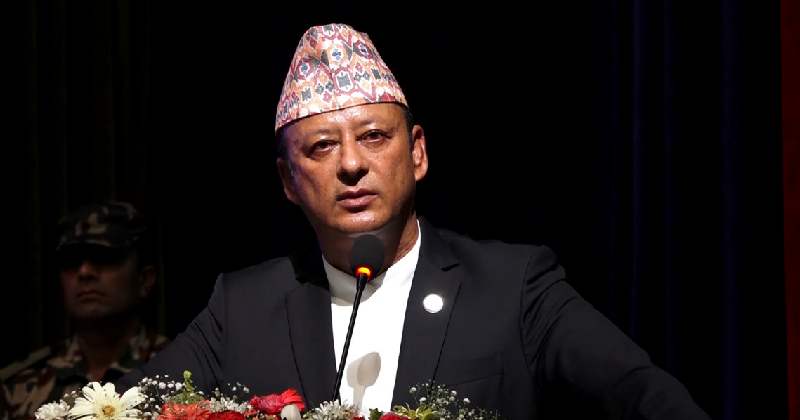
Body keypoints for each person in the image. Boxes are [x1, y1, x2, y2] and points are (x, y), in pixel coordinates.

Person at [117, 24, 709, 419]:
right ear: (287, 181)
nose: (352, 164)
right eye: (321, 147)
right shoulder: (244, 307)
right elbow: (112, 410)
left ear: (418, 153)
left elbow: (646, 397)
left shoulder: (512, 286)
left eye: (375, 137)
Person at [0, 201, 169, 420]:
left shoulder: (183, 370)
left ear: (145, 279)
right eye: (71, 261)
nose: (85, 272)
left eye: (104, 257)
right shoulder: (19, 389)